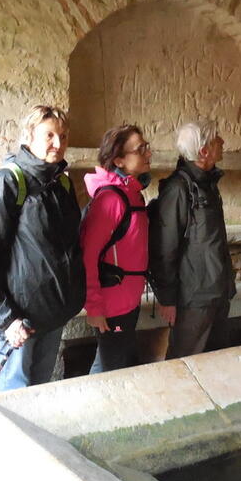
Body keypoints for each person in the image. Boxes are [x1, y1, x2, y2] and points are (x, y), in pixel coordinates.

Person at [0, 105, 85, 394]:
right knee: (15, 392)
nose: (58, 143)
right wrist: (7, 320)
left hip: (52, 312)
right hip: (20, 316)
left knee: (38, 390)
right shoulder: (8, 182)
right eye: (50, 135)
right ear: (29, 136)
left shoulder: (62, 183)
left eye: (64, 136)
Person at [149, 120, 236, 359]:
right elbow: (165, 248)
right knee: (184, 361)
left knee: (215, 361)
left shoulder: (207, 184)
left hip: (217, 291)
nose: (223, 142)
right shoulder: (178, 189)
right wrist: (167, 298)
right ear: (203, 151)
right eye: (217, 138)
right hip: (194, 297)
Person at [81, 124, 152, 374]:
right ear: (119, 160)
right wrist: (95, 308)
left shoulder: (133, 194)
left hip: (128, 301)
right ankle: (94, 411)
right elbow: (88, 256)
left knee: (119, 361)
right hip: (112, 306)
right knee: (109, 366)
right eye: (140, 149)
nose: (147, 154)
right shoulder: (111, 199)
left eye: (146, 147)